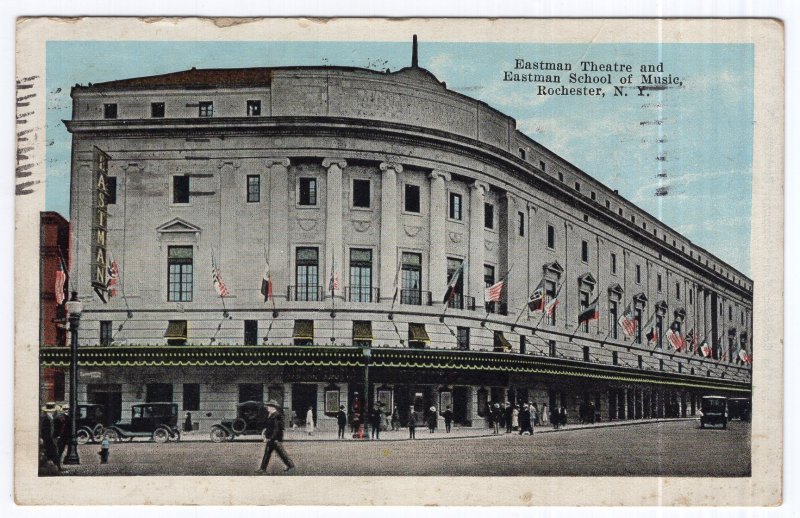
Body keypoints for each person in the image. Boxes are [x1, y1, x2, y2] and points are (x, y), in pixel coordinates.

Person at [256, 400, 295, 474]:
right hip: (272, 438)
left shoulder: (277, 415)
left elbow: (276, 429)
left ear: (273, 407)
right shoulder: (271, 415)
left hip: (275, 438)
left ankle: (291, 466)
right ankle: (262, 468)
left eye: (269, 406)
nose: (267, 408)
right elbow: (269, 426)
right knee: (268, 453)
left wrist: (272, 438)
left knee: (281, 453)